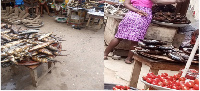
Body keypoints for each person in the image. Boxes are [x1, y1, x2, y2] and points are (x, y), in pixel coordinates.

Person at [104, 0, 186, 64]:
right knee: (135, 41)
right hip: (143, 16)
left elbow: (126, 3)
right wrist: (175, 1)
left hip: (131, 14)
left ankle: (105, 54)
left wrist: (136, 10)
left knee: (118, 37)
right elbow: (157, 1)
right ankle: (128, 59)